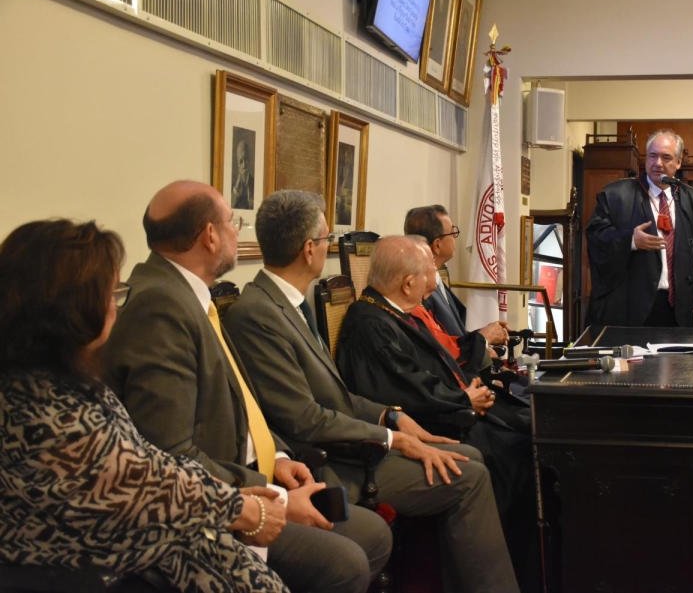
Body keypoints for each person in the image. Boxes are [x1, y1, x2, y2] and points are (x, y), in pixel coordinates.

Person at [222, 190, 520, 593]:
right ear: (309, 250)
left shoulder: (287, 304)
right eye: (327, 239)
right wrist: (392, 437)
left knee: (470, 457)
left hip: (347, 438)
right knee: (469, 474)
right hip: (330, 461)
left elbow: (337, 396)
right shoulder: (259, 314)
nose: (327, 246)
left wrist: (391, 416)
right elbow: (303, 418)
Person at [103, 180, 391, 593]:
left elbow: (238, 399)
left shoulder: (184, 293)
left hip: (254, 471)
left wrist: (278, 456)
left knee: (374, 534)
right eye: (233, 223)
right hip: (213, 503)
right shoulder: (161, 306)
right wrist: (269, 495)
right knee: (346, 562)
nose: (238, 233)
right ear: (210, 235)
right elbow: (171, 454)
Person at [0, 219, 287, 592]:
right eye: (111, 293)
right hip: (120, 571)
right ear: (72, 312)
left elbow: (148, 463)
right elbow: (143, 479)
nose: (116, 305)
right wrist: (246, 508)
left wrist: (235, 495)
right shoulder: (47, 416)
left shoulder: (51, 379)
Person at [335, 235, 539, 592]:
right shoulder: (370, 323)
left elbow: (428, 371)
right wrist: (463, 400)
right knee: (516, 461)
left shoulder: (394, 312)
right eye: (427, 271)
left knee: (529, 437)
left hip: (450, 411)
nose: (433, 277)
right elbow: (403, 389)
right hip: (435, 424)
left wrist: (466, 392)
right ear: (408, 283)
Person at [585, 129, 693, 328]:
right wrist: (630, 241)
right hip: (632, 307)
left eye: (666, 157)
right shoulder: (617, 195)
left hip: (681, 306)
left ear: (678, 162)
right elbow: (595, 236)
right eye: (652, 156)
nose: (658, 163)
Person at [404, 204, 508, 345]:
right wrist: (483, 340)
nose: (455, 237)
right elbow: (443, 345)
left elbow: (458, 331)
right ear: (437, 245)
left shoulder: (436, 278)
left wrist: (490, 332)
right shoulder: (421, 290)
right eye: (452, 232)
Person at [232, 138, 254, 210]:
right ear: (238, 164)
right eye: (241, 161)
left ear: (249, 160)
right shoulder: (233, 184)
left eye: (246, 160)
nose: (244, 165)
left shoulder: (254, 183)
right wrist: (236, 188)